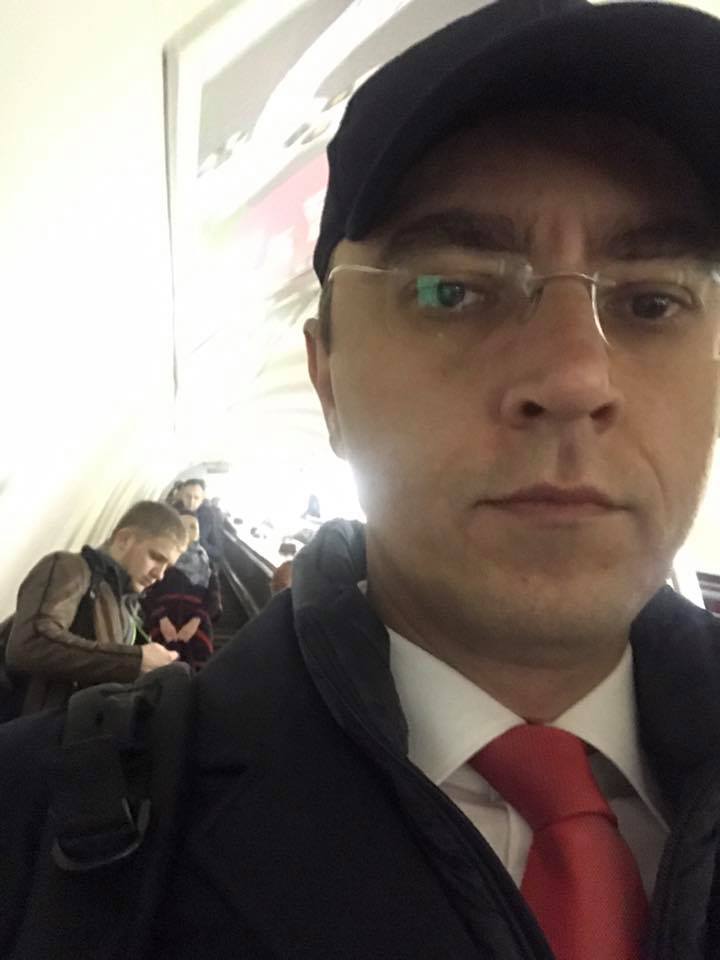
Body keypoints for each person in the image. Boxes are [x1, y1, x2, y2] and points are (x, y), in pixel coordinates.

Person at [4, 2, 720, 957]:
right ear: (328, 380)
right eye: (452, 290)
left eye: (654, 302)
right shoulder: (33, 829)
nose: (574, 377)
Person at [4, 500, 186, 715]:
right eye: (155, 557)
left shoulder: (124, 605)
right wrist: (135, 660)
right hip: (25, 722)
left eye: (167, 566)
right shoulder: (69, 567)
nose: (160, 574)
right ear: (124, 539)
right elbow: (30, 643)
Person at [141, 514, 221, 671]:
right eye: (183, 526)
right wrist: (161, 618)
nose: (189, 530)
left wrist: (196, 621)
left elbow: (214, 597)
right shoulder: (162, 557)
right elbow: (147, 591)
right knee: (159, 667)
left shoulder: (207, 564)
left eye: (193, 527)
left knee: (198, 668)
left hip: (198, 623)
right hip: (161, 620)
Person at [172, 478, 223, 562]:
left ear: (202, 499)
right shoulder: (171, 512)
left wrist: (200, 545)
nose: (191, 501)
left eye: (196, 497)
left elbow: (218, 550)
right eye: (188, 496)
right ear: (182, 496)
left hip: (198, 561)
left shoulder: (210, 516)